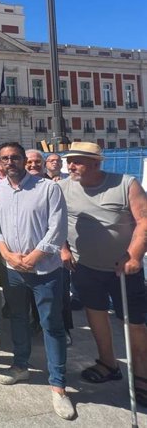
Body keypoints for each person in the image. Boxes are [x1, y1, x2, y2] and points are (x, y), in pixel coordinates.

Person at [0, 142, 74, 420]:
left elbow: (57, 228)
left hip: (45, 270)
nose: (10, 162)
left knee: (52, 325)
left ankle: (58, 385)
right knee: (17, 318)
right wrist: (6, 254)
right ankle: (20, 365)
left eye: (15, 158)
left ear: (25, 160)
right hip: (13, 268)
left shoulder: (48, 189)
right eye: (5, 159)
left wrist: (34, 256)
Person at [59, 141, 147, 405]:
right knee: (95, 315)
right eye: (69, 160)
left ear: (96, 163)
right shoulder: (62, 187)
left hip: (123, 270)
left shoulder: (126, 183)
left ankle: (142, 376)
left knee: (136, 325)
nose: (71, 165)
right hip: (84, 266)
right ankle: (108, 364)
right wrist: (64, 249)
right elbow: (56, 220)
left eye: (78, 160)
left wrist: (134, 254)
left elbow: (144, 220)